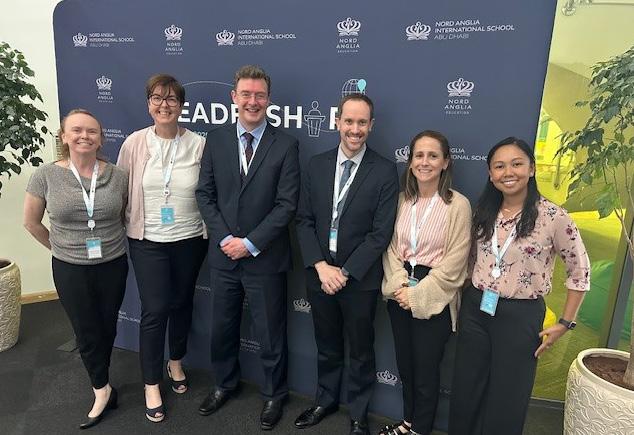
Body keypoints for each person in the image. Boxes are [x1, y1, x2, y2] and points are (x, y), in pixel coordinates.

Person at [448, 137, 590, 435]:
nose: (508, 172)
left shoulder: (553, 217)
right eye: (499, 166)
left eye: (516, 164)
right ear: (490, 174)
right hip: (476, 308)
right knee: (466, 389)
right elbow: (471, 261)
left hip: (520, 315)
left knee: (508, 395)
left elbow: (579, 270)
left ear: (532, 168)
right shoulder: (483, 212)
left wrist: (566, 322)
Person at [195, 65, 300, 431]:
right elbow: (204, 194)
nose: (252, 101)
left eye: (259, 95)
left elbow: (287, 204)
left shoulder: (286, 145)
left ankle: (274, 394)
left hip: (265, 258)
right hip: (224, 255)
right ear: (234, 97)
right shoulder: (216, 139)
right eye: (246, 94)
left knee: (270, 333)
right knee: (222, 328)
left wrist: (251, 243)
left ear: (268, 100)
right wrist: (227, 239)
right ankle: (224, 384)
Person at [294, 93, 399, 435]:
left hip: (359, 280)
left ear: (372, 125)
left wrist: (346, 272)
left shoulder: (385, 171)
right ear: (337, 121)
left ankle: (358, 414)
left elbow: (380, 233)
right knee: (326, 344)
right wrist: (320, 266)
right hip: (320, 275)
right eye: (349, 121)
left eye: (362, 122)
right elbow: (303, 221)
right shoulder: (317, 165)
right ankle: (325, 401)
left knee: (361, 350)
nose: (355, 129)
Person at [23, 109, 128, 429]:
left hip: (112, 264)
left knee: (107, 326)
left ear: (101, 139)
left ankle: (103, 381)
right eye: (77, 130)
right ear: (64, 136)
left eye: (92, 131)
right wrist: (59, 249)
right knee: (85, 330)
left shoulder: (117, 175)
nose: (85, 136)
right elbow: (31, 222)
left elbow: (123, 216)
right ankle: (101, 389)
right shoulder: (45, 175)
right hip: (70, 268)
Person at [116, 74, 208, 422]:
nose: (164, 105)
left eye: (171, 99)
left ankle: (176, 361)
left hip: (190, 239)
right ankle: (151, 383)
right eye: (157, 98)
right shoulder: (134, 143)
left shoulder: (198, 144)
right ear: (148, 104)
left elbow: (209, 191)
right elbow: (121, 191)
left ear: (181, 106)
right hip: (147, 241)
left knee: (182, 303)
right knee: (155, 310)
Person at [380, 131, 471, 435]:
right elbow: (391, 249)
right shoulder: (401, 201)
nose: (425, 162)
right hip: (400, 290)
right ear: (410, 162)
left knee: (426, 369)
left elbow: (456, 261)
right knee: (406, 366)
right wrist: (400, 287)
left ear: (446, 162)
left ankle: (420, 429)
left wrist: (418, 295)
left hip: (436, 295)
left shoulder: (458, 205)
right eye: (419, 155)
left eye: (433, 156)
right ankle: (408, 422)